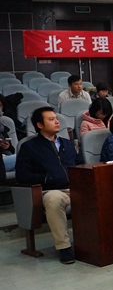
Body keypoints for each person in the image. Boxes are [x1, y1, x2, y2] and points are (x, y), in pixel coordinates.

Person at [16, 107, 83, 264]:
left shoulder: (68, 144)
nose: (57, 122)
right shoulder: (30, 147)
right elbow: (22, 175)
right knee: (54, 198)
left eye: (56, 118)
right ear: (40, 125)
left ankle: (94, 242)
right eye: (51, 119)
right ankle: (64, 247)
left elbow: (80, 166)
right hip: (49, 190)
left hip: (74, 188)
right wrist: (46, 178)